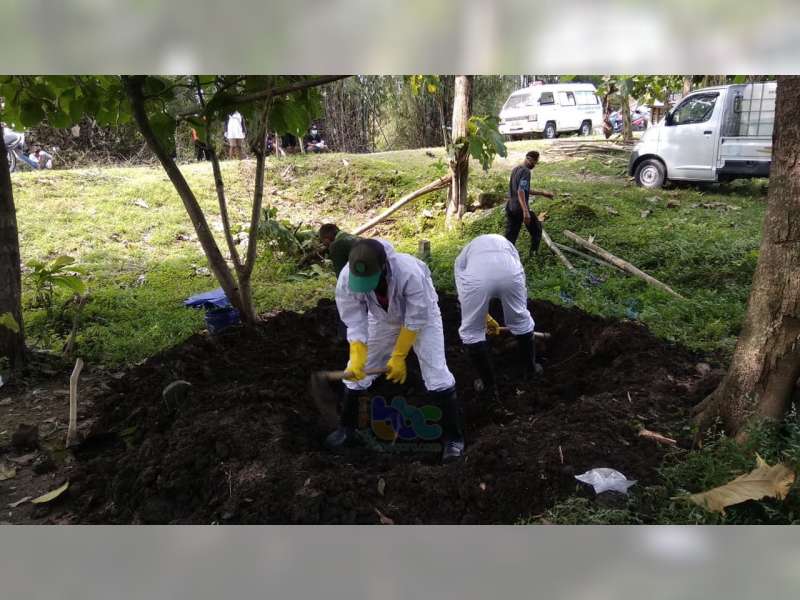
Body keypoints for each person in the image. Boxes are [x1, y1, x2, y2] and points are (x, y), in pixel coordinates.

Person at [328, 238, 464, 463]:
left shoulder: (409, 272)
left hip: (423, 318)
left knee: (436, 372)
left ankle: (453, 439)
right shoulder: (346, 279)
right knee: (355, 375)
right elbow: (354, 319)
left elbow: (415, 318)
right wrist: (357, 354)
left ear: (383, 267)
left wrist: (399, 356)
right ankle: (347, 429)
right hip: (382, 319)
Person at [454, 234, 543, 402]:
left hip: (476, 281)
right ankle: (531, 371)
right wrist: (489, 317)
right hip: (510, 274)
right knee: (521, 319)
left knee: (471, 331)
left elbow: (464, 294)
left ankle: (488, 385)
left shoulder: (461, 259)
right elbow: (519, 272)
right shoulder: (508, 245)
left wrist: (481, 317)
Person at [505, 150, 554, 257]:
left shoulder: (515, 169)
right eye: (534, 162)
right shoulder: (526, 171)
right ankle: (533, 256)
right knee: (537, 230)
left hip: (510, 206)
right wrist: (526, 211)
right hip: (519, 208)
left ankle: (504, 256)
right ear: (529, 159)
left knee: (510, 236)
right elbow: (521, 191)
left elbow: (524, 188)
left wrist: (542, 193)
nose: (534, 165)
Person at [319, 223, 359, 340]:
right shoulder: (351, 237)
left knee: (346, 306)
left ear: (327, 238)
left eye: (323, 241)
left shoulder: (336, 245)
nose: (324, 244)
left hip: (361, 279)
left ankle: (344, 338)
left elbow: (341, 276)